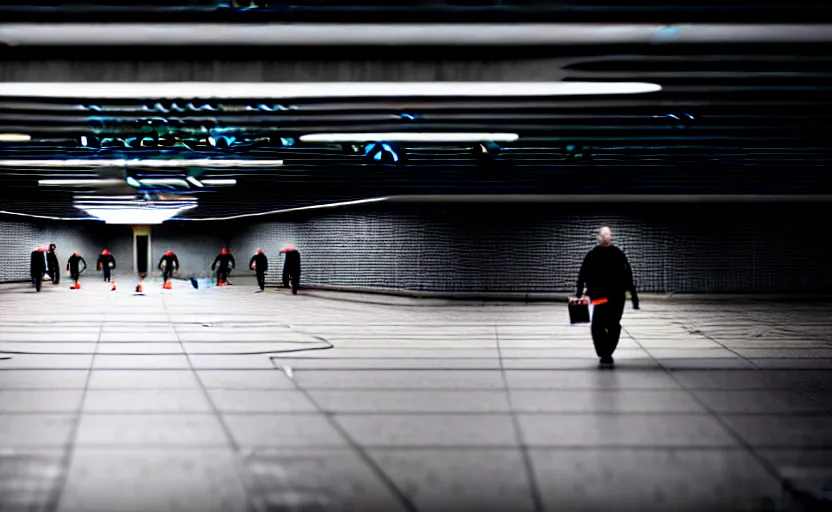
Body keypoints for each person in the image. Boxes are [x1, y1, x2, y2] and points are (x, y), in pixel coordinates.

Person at [576, 226, 639, 367]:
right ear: (599, 237)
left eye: (607, 234)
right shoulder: (596, 254)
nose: (605, 237)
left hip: (614, 296)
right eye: (603, 234)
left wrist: (634, 297)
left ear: (610, 237)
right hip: (602, 296)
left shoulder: (615, 254)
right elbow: (583, 274)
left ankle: (605, 352)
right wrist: (580, 293)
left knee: (611, 324)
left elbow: (628, 276)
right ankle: (606, 352)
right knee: (600, 325)